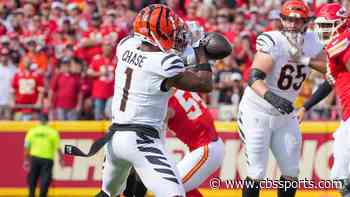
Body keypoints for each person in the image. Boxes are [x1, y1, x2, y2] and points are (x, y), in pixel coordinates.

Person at [94, 4, 214, 197]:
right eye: (170, 31)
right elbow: (204, 84)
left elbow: (149, 55)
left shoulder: (125, 46)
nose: (174, 35)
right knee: (174, 194)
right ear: (157, 33)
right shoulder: (165, 64)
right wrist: (200, 50)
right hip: (141, 140)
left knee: (108, 194)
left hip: (115, 137)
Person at [237, 1, 327, 197]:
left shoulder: (313, 42)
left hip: (286, 116)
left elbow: (331, 72)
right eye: (288, 20)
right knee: (257, 172)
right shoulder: (273, 40)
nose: (292, 25)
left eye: (297, 21)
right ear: (281, 20)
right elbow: (253, 78)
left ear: (306, 22)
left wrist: (304, 59)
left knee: (291, 172)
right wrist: (273, 99)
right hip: (257, 112)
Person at [297, 3, 350, 197]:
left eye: (327, 26)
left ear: (341, 23)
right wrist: (305, 107)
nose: (322, 31)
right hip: (347, 117)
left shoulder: (342, 41)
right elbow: (330, 80)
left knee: (341, 176)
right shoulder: (337, 45)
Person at [23, 114, 64, 197]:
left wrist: (26, 160)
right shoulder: (53, 132)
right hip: (47, 159)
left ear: (39, 121)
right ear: (47, 121)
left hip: (34, 159)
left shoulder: (32, 131)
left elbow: (27, 147)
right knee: (45, 181)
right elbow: (58, 148)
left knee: (32, 180)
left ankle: (31, 195)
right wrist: (61, 159)